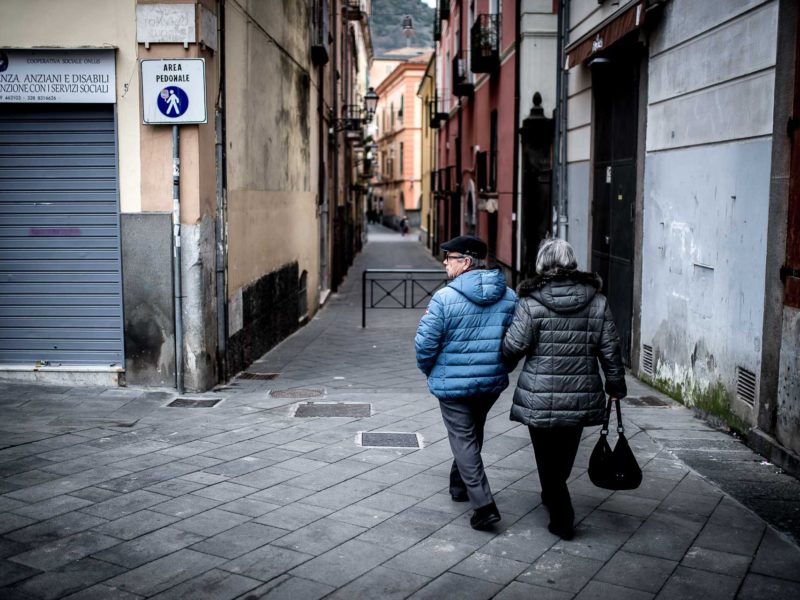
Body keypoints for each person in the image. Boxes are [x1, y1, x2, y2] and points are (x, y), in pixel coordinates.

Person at [502, 238, 626, 540]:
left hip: (538, 394)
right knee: (565, 455)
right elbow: (610, 348)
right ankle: (553, 493)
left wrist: (503, 362)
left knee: (545, 456)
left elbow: (514, 346)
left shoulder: (531, 303)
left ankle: (562, 514)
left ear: (542, 264)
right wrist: (616, 385)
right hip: (581, 393)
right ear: (572, 262)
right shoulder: (597, 301)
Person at [415, 235, 517, 530]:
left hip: (453, 384)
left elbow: (424, 346)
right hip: (490, 383)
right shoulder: (509, 296)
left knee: (463, 438)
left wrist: (430, 370)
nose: (445, 262)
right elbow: (515, 343)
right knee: (473, 432)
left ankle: (484, 505)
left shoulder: (444, 298)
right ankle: (459, 486)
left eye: (451, 257)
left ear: (467, 262)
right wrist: (502, 367)